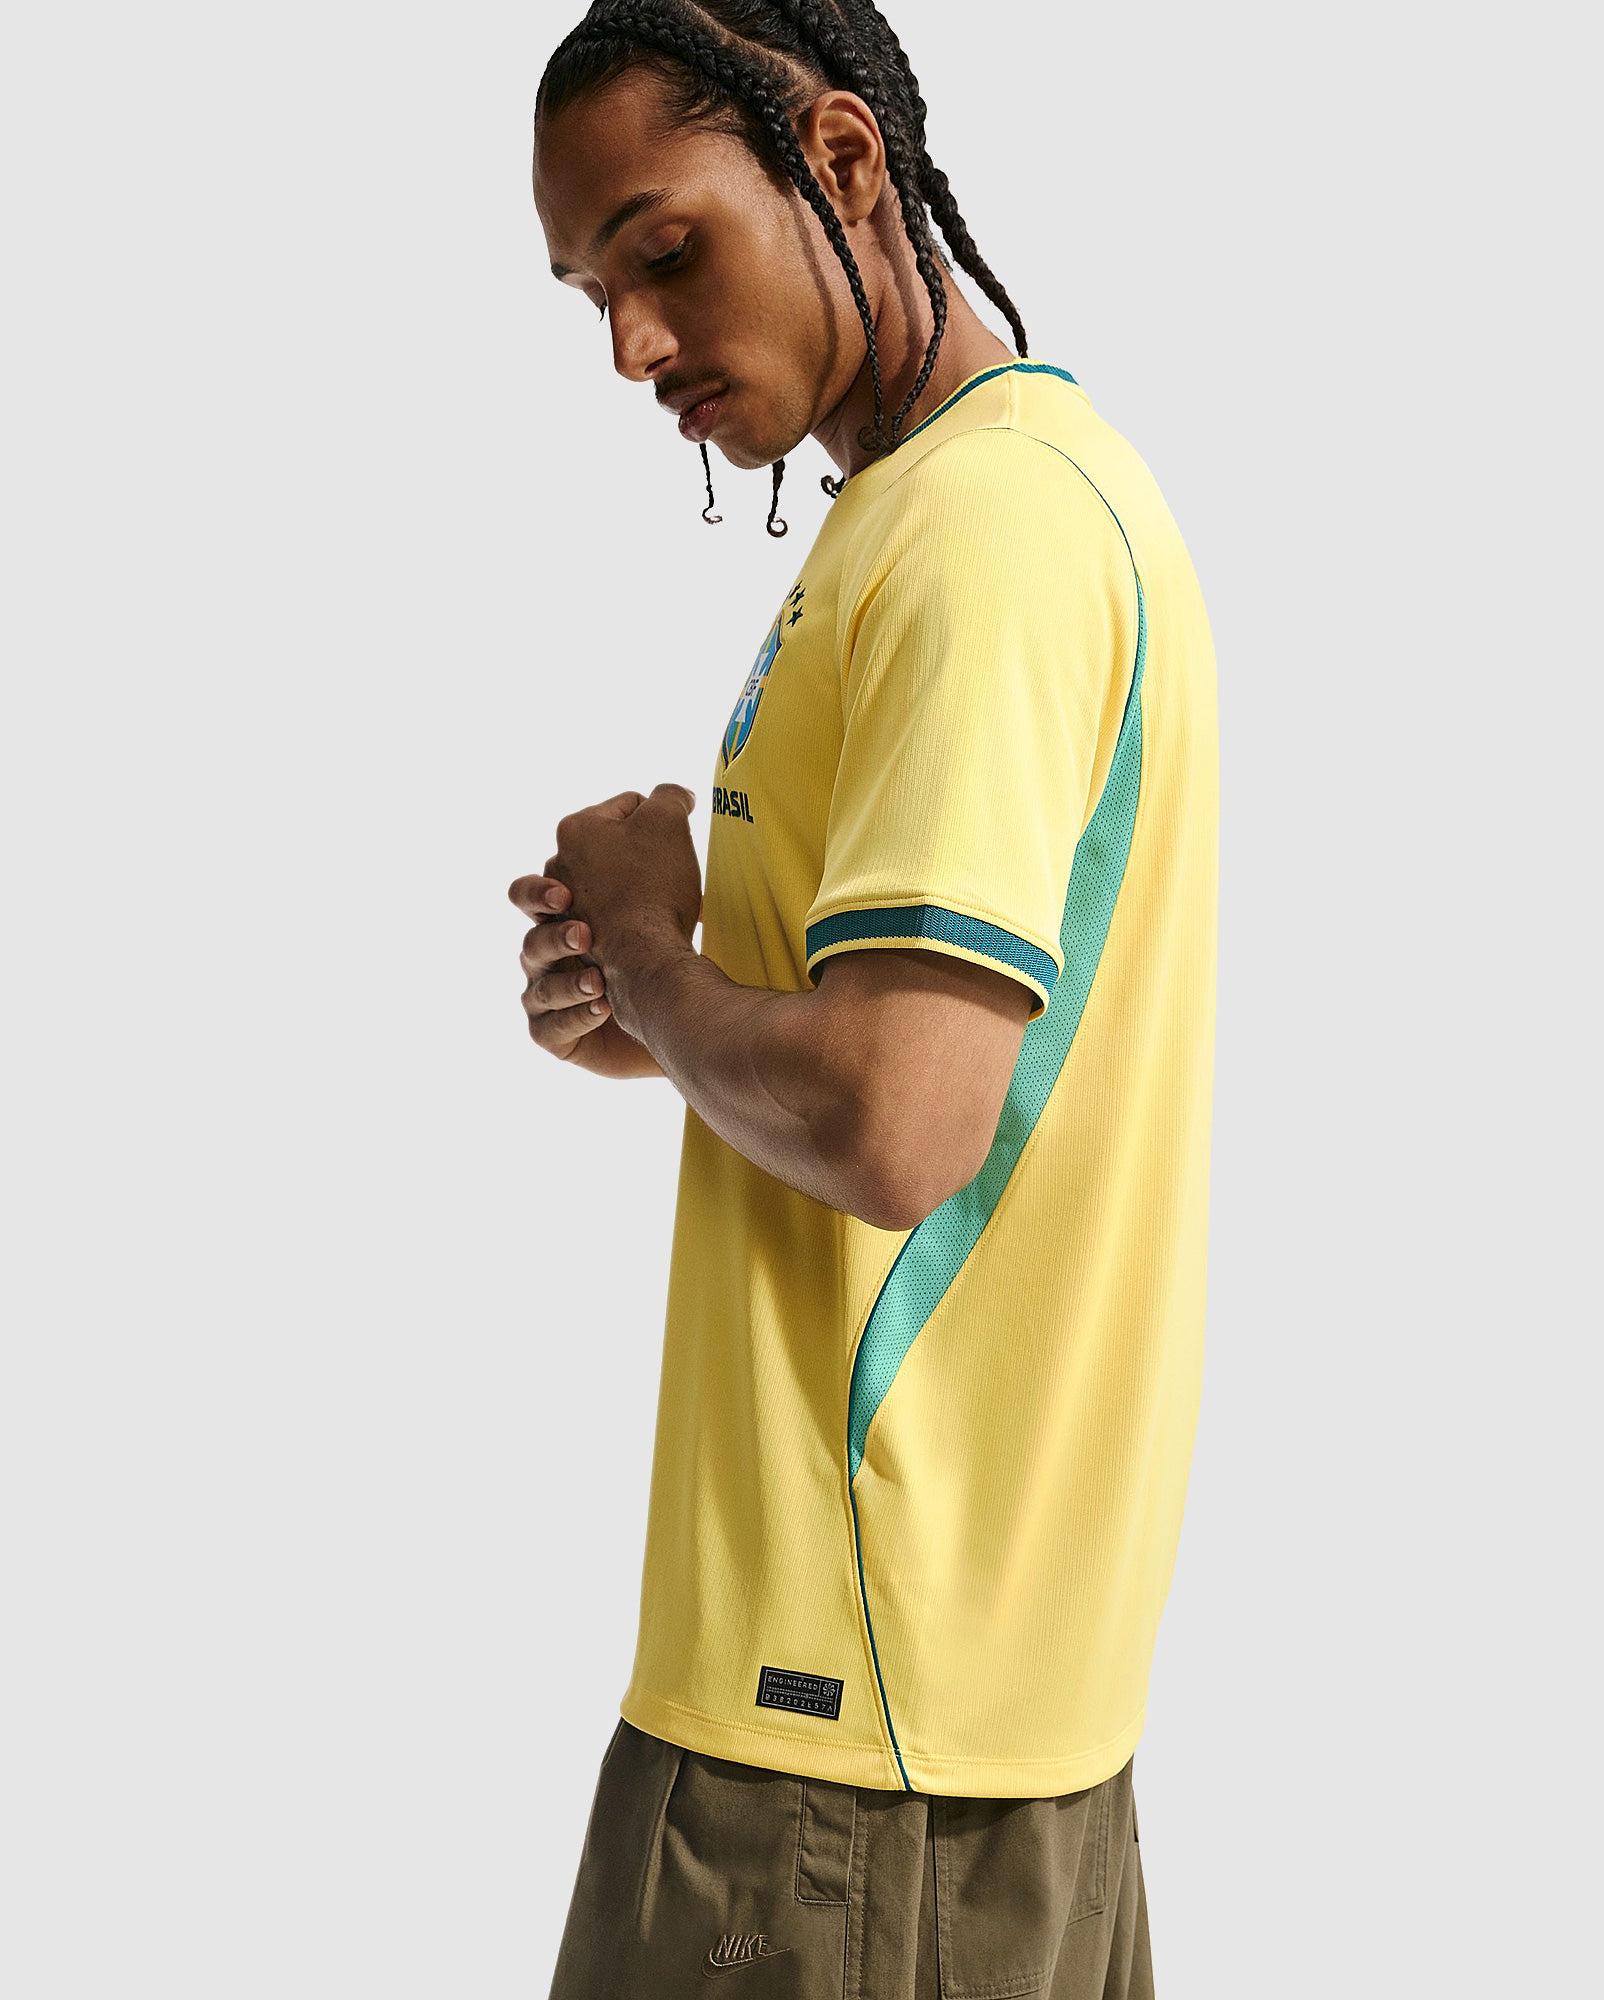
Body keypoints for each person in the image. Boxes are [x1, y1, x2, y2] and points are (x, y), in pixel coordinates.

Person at [510, 4, 1217, 1992]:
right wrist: (653, 1007)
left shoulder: (983, 534)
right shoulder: (957, 507)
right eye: (591, 297)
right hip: (944, 1727)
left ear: (838, 160)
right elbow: (943, 1064)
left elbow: (900, 1122)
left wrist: (660, 960)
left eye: (664, 252)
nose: (633, 345)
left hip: (837, 1746)